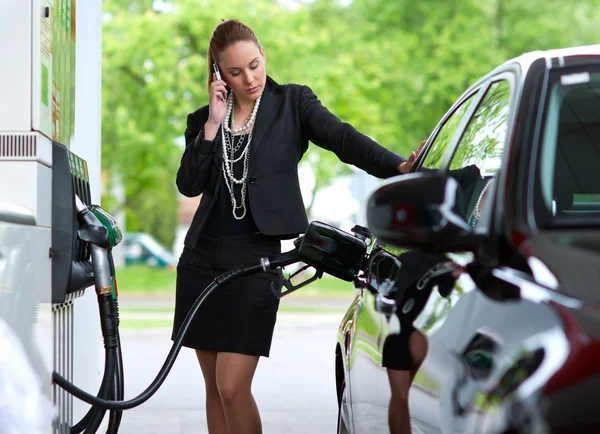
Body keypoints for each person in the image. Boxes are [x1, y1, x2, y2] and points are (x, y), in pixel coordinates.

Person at [171, 18, 422, 434]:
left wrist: (397, 168)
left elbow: (343, 138)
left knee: (232, 386)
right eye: (234, 72)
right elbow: (188, 183)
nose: (249, 78)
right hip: (202, 262)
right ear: (218, 74)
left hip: (256, 261)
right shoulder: (203, 120)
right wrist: (214, 124)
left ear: (263, 53)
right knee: (213, 390)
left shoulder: (293, 103)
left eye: (254, 64)